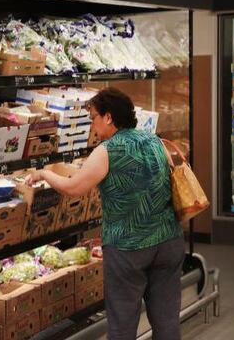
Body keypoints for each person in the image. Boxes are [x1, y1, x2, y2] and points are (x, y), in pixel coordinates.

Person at [25, 87, 184, 340]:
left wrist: (43, 173)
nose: (92, 125)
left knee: (122, 323)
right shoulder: (155, 141)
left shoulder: (108, 150)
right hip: (169, 241)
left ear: (108, 117)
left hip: (128, 247)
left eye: (93, 118)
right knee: (167, 322)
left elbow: (74, 188)